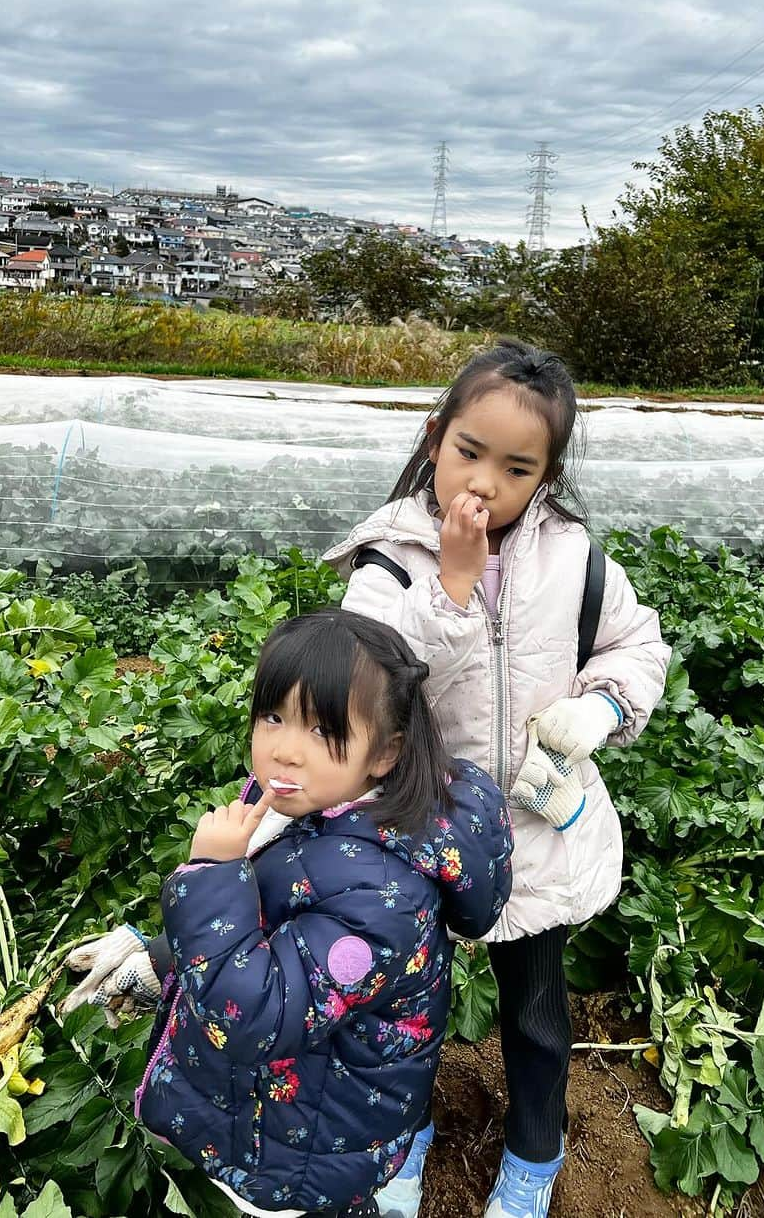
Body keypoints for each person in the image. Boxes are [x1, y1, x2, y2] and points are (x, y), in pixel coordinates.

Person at [323, 339, 671, 1218]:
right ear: (436, 439)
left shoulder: (578, 563)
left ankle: (533, 1157)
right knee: (395, 1010)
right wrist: (453, 587)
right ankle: (400, 1139)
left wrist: (602, 710)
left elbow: (640, 645)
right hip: (412, 835)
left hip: (535, 835)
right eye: (469, 452)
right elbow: (374, 687)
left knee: (535, 1018)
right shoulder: (386, 565)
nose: (485, 482)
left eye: (517, 467)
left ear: (545, 476)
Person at [63, 609, 513, 1218]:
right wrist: (163, 960)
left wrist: (211, 879)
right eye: (274, 716)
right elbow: (272, 927)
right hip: (279, 1115)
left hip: (303, 1149)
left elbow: (256, 1016)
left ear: (385, 754)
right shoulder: (312, 808)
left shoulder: (380, 896)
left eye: (323, 731)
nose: (285, 750)